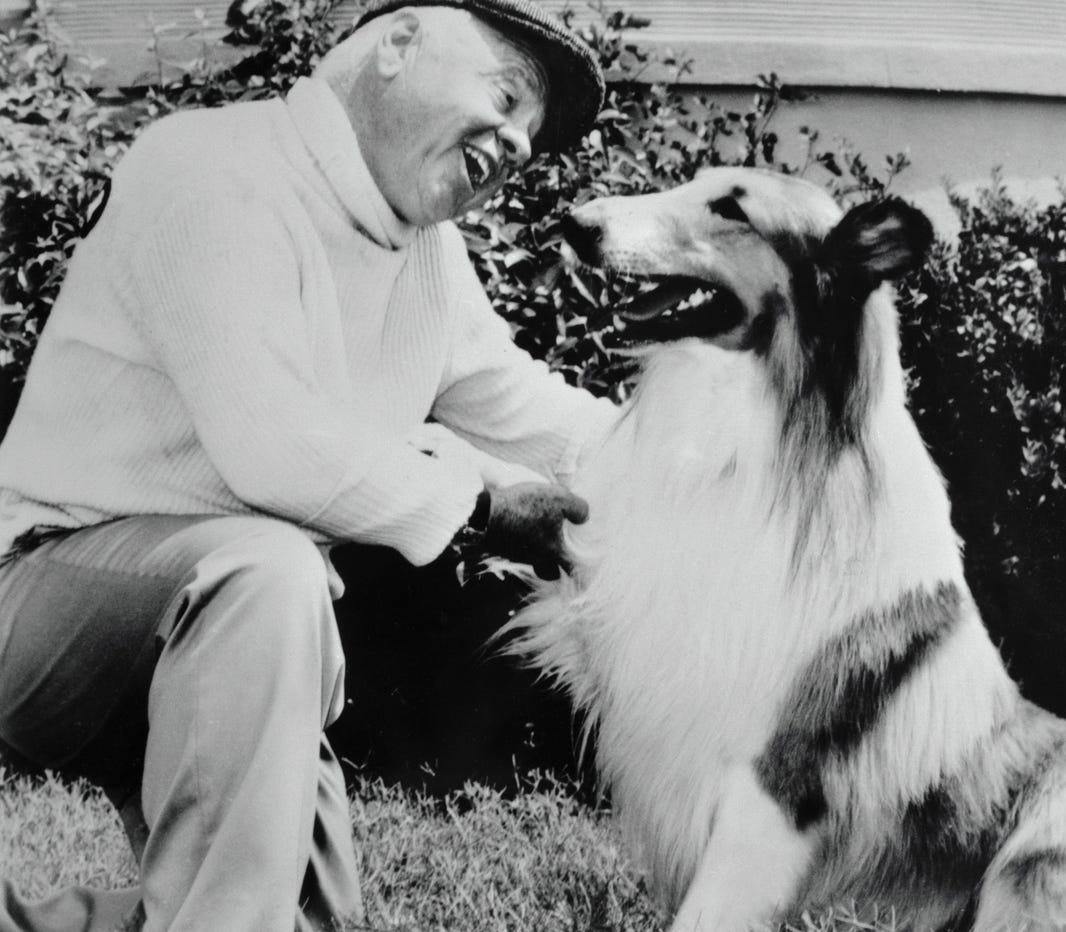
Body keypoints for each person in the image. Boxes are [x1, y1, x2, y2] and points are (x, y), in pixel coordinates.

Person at [0, 1, 617, 929]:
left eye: (533, 133)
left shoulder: (426, 255)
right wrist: (482, 503)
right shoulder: (210, 167)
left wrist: (703, 458)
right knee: (272, 571)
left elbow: (522, 407)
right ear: (399, 41)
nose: (520, 144)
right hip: (44, 597)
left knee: (303, 918)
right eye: (508, 94)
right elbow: (271, 447)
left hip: (235, 644)